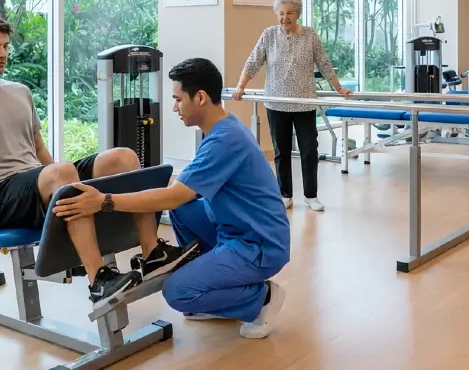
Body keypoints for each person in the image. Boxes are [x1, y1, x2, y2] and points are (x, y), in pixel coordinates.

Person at [0, 13, 200, 310]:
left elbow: (39, 150)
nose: (2, 53)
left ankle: (152, 252)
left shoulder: (19, 91)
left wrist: (60, 183)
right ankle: (99, 279)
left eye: (5, 46)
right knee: (62, 172)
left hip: (37, 181)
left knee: (123, 157)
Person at [51, 57, 292, 339]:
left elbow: (174, 195)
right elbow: (181, 191)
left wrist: (105, 200)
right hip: (236, 229)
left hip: (260, 245)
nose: (174, 106)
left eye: (178, 99)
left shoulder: (225, 140)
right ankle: (215, 282)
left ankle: (262, 298)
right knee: (184, 210)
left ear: (200, 97)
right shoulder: (221, 129)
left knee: (178, 292)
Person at [232, 0, 351, 211]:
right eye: (281, 13)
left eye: (289, 13)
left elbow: (324, 64)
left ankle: (311, 195)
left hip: (304, 102)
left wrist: (339, 88)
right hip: (276, 102)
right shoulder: (269, 35)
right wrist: (241, 86)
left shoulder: (310, 35)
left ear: (298, 14)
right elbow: (253, 62)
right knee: (281, 150)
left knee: (309, 150)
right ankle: (285, 194)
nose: (284, 17)